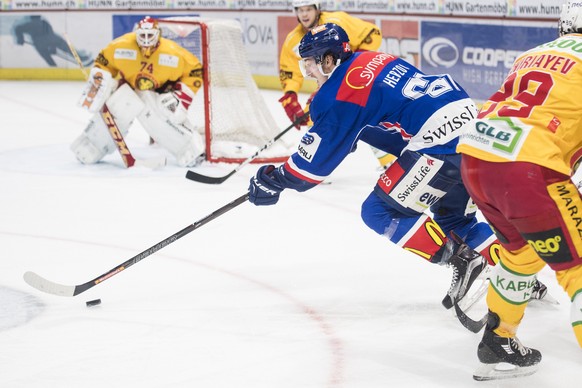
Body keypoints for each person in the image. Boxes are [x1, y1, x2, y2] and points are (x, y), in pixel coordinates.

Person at [248, 24, 549, 313]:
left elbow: (310, 170)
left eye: (311, 64)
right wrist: (348, 133)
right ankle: (520, 278)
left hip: (439, 141)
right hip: (472, 129)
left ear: (328, 59)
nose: (309, 72)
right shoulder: (370, 58)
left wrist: (274, 179)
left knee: (378, 211)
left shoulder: (338, 92)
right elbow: (386, 114)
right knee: (456, 219)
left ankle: (462, 259)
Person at [456, 0, 582, 380]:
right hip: (529, 170)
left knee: (522, 252)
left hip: (477, 160)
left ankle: (498, 340)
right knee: (577, 268)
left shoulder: (533, 54)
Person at [71, 16, 205, 167]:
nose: (146, 40)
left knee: (161, 113)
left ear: (157, 34)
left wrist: (181, 97)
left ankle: (190, 149)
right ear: (136, 34)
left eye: (150, 35)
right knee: (121, 105)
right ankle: (90, 147)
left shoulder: (172, 52)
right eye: (142, 35)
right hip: (128, 88)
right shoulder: (122, 46)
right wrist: (99, 81)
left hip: (159, 92)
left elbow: (195, 70)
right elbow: (103, 62)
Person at [279, 1, 393, 168]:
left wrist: (357, 61)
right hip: (329, 81)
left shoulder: (336, 21)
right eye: (300, 10)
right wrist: (290, 94)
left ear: (317, 9)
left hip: (355, 77)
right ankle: (314, 163)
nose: (304, 14)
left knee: (362, 114)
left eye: (308, 9)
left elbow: (373, 33)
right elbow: (290, 70)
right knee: (315, 111)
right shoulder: (293, 40)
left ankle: (388, 162)